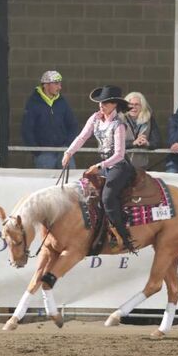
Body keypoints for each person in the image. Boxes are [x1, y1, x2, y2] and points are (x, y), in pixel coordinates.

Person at [62, 85, 136, 253]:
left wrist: (99, 166)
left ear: (114, 105)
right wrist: (69, 152)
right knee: (85, 192)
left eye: (106, 103)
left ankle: (124, 238)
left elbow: (119, 154)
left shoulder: (119, 124)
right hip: (104, 165)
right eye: (100, 103)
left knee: (108, 197)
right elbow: (82, 136)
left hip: (118, 166)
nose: (101, 106)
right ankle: (96, 232)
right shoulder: (95, 118)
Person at [21, 70, 79, 169]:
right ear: (46, 85)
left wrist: (68, 146)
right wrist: (37, 151)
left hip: (63, 151)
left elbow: (73, 125)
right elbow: (27, 129)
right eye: (56, 84)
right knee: (45, 182)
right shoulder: (33, 103)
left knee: (69, 181)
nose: (59, 87)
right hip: (44, 153)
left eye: (60, 84)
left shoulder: (62, 102)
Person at [121, 92, 162, 169]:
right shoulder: (119, 120)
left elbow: (158, 142)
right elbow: (113, 143)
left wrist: (147, 143)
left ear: (142, 106)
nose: (133, 107)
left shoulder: (149, 120)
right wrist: (133, 143)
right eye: (130, 104)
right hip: (121, 165)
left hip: (141, 166)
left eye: (137, 104)